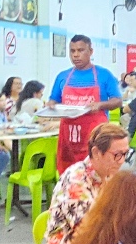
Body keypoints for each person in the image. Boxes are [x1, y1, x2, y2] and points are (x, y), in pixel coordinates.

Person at [46, 35, 123, 174]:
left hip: (95, 135)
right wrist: (51, 105)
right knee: (69, 172)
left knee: (96, 171)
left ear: (91, 51)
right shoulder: (63, 76)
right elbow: (54, 99)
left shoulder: (104, 75)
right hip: (69, 136)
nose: (76, 55)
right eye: (72, 51)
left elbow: (117, 101)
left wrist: (100, 105)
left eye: (80, 50)